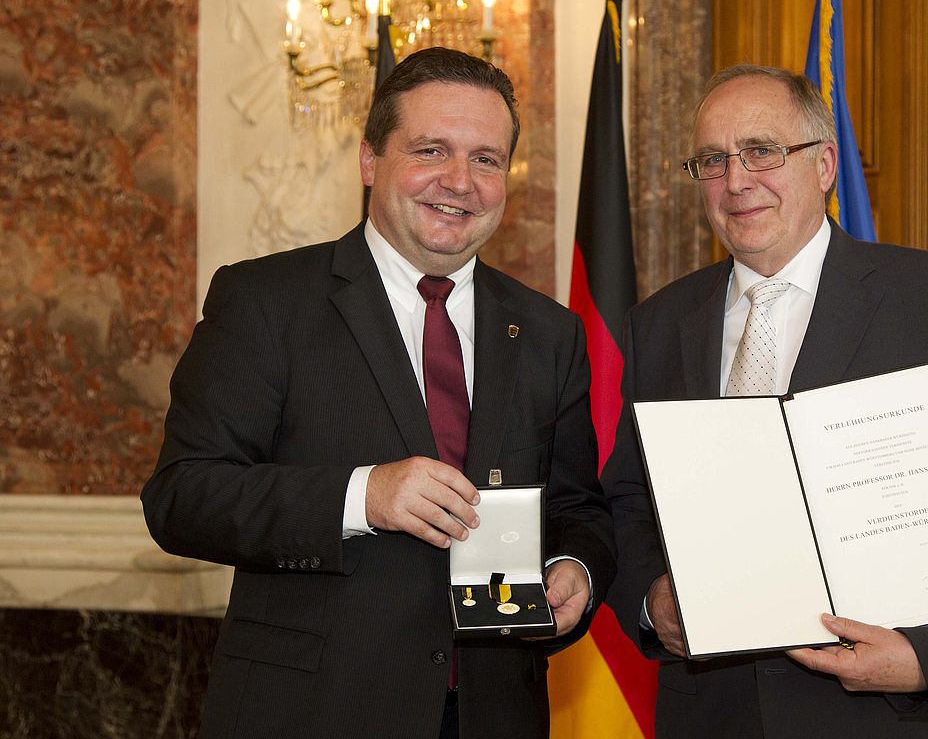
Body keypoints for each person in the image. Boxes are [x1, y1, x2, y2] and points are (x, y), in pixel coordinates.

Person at [142, 47, 615, 739]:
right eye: (431, 150)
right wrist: (362, 497)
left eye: (486, 159)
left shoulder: (548, 331)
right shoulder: (265, 301)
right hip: (314, 713)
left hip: (493, 715)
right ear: (370, 161)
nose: (460, 181)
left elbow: (578, 508)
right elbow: (182, 497)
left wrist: (575, 568)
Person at [601, 64, 928, 738]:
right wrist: (651, 600)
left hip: (883, 714)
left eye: (762, 151)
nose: (737, 181)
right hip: (712, 712)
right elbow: (628, 499)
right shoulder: (658, 323)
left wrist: (927, 657)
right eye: (713, 161)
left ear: (826, 164)